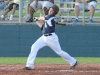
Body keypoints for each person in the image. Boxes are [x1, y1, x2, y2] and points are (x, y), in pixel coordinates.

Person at [22, 4, 77, 70]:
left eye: (52, 9)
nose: (50, 10)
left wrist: (37, 18)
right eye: (50, 9)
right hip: (44, 37)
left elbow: (43, 18)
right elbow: (43, 28)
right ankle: (29, 65)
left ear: (54, 12)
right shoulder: (49, 19)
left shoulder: (50, 17)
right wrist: (36, 21)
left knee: (60, 52)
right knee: (34, 46)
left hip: (51, 38)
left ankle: (73, 61)